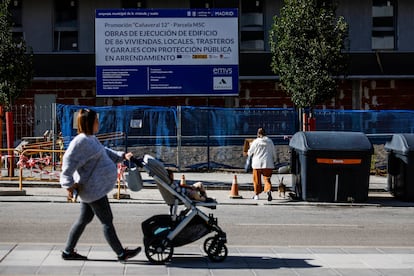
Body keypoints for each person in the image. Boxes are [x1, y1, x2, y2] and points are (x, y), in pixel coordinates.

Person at [60, 108, 141, 262]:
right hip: (93, 190)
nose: (99, 123)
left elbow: (104, 151)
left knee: (84, 220)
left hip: (92, 188)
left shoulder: (90, 138)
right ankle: (121, 253)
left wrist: (122, 156)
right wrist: (68, 184)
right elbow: (68, 162)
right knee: (107, 220)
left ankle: (68, 251)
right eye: (96, 120)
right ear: (90, 122)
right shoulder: (81, 141)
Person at [247, 127, 277, 201]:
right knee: (267, 179)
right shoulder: (270, 141)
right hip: (268, 163)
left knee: (256, 180)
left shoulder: (255, 142)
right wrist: (275, 160)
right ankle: (268, 189)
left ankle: (256, 195)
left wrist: (249, 149)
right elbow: (274, 152)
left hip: (257, 164)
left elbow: (250, 152)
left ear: (258, 134)